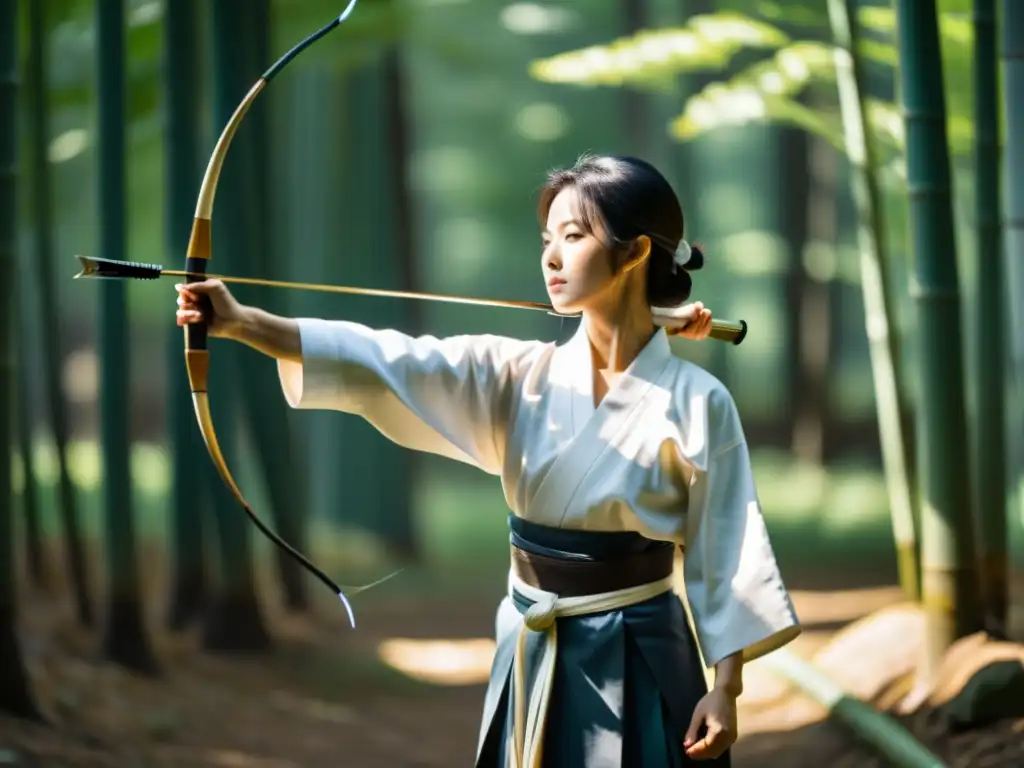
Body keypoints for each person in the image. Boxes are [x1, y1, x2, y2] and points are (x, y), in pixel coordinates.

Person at [175, 154, 801, 766]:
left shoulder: (697, 401)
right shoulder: (516, 373)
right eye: (547, 239)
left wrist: (725, 688)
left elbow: (726, 548)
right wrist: (242, 322)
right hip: (533, 644)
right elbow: (388, 358)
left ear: (636, 251)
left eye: (574, 236)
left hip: (641, 649)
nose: (551, 258)